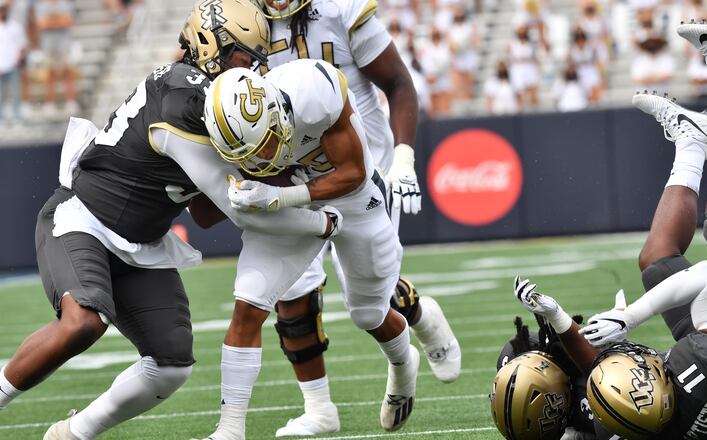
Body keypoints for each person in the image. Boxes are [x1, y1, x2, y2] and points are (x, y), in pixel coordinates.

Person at [0, 2, 341, 439]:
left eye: (256, 61)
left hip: (140, 243)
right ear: (209, 45)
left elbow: (202, 210)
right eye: (242, 58)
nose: (250, 71)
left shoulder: (213, 96)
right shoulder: (183, 97)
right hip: (82, 220)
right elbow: (237, 208)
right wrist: (318, 222)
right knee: (83, 322)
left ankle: (71, 433)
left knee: (171, 363)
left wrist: (259, 171)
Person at [514, 23, 707, 440]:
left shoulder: (643, 418)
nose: (641, 362)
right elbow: (705, 279)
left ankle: (693, 144)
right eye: (641, 371)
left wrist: (559, 320)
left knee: (656, 260)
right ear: (658, 391)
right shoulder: (701, 373)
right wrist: (629, 318)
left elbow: (599, 382)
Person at [227, 0, 460, 436]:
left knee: (370, 298)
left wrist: (404, 159)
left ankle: (421, 318)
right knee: (291, 291)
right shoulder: (241, 18)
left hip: (360, 168)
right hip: (289, 170)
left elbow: (398, 83)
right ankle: (318, 408)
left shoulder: (342, 9)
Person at [198, 61, 420, 439]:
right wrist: (236, 196)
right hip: (288, 206)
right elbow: (203, 212)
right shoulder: (227, 135)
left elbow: (352, 173)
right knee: (250, 300)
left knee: (368, 313)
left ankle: (403, 362)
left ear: (275, 110)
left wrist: (281, 195)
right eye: (253, 151)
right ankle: (230, 429)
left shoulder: (312, 93)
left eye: (268, 141)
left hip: (353, 200)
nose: (266, 155)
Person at [0, 0, 27, 123]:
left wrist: (19, 59)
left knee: (16, 94)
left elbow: (22, 45)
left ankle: (18, 118)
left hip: (12, 65)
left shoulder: (15, 26)